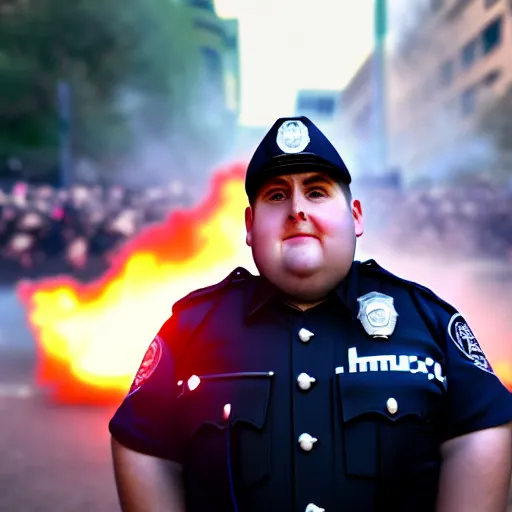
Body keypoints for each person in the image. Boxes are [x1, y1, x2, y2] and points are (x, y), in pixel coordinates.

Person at [109, 116, 512, 512]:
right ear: (250, 225)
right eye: (276, 196)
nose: (297, 209)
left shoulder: (429, 323)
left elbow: (481, 433)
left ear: (355, 216)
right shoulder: (191, 330)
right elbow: (140, 443)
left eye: (317, 192)